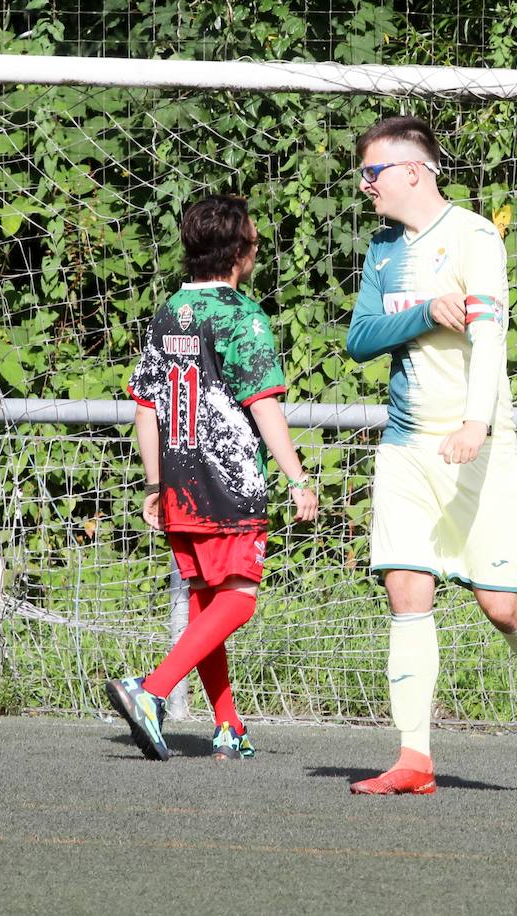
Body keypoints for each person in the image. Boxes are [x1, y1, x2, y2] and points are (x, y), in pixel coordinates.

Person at [344, 114, 517, 795]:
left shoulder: (473, 236)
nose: (364, 185)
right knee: (406, 587)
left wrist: (475, 424)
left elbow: (489, 337)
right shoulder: (382, 248)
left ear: (413, 171)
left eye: (372, 172)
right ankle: (414, 759)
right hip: (406, 444)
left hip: (477, 444)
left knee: (502, 606)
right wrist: (423, 314)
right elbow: (359, 338)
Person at [106, 194, 318, 762]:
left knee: (206, 605)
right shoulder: (241, 315)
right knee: (240, 600)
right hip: (228, 482)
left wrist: (154, 484)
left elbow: (145, 405)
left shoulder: (169, 311)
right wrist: (297, 478)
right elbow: (264, 403)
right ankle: (150, 691)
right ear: (241, 251)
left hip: (179, 482)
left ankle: (228, 725)